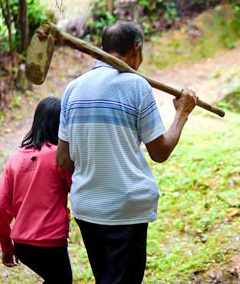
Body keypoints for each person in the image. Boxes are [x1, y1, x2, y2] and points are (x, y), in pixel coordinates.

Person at [57, 21, 197, 284]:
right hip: (125, 209)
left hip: (87, 209)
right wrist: (182, 114)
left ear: (102, 49)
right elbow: (160, 151)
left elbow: (63, 159)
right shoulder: (136, 86)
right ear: (137, 49)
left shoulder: (72, 90)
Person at [0, 96, 73, 283]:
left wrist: (6, 247)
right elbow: (75, 188)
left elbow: (0, 208)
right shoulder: (59, 156)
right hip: (51, 241)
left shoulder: (15, 158)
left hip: (23, 245)